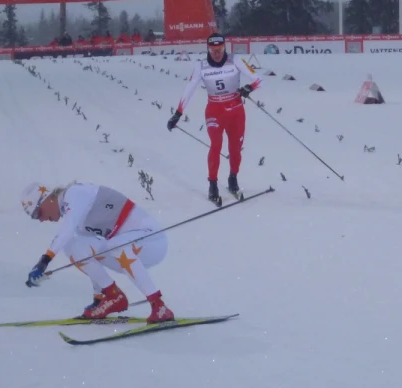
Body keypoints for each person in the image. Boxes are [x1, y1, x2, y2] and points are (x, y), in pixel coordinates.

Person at [21, 181, 175, 322]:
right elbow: (88, 254)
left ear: (47, 199)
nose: (40, 219)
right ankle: (112, 296)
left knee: (115, 244)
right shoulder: (79, 221)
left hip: (152, 241)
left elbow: (67, 229)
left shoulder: (75, 193)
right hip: (128, 251)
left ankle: (159, 306)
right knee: (74, 247)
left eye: (37, 213)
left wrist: (44, 260)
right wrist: (98, 297)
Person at [167, 32, 261, 204]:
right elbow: (190, 88)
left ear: (224, 47)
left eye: (220, 49)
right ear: (208, 49)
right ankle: (213, 184)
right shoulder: (200, 66)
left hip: (236, 111)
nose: (217, 53)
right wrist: (178, 113)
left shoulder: (236, 60)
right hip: (215, 111)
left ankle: (233, 177)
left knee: (235, 148)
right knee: (216, 145)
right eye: (213, 50)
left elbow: (258, 78)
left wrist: (249, 87)